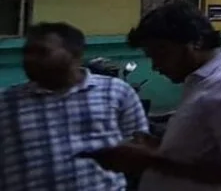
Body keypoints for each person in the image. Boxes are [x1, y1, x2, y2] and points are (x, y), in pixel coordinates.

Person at [92, 1, 221, 190]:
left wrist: (149, 160)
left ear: (196, 42)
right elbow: (206, 152)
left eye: (161, 53)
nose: (155, 66)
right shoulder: (201, 82)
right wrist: (161, 146)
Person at [0, 22, 148, 191]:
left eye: (42, 52)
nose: (30, 59)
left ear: (75, 54)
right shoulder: (6, 102)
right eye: (27, 52)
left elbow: (140, 151)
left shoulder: (116, 92)